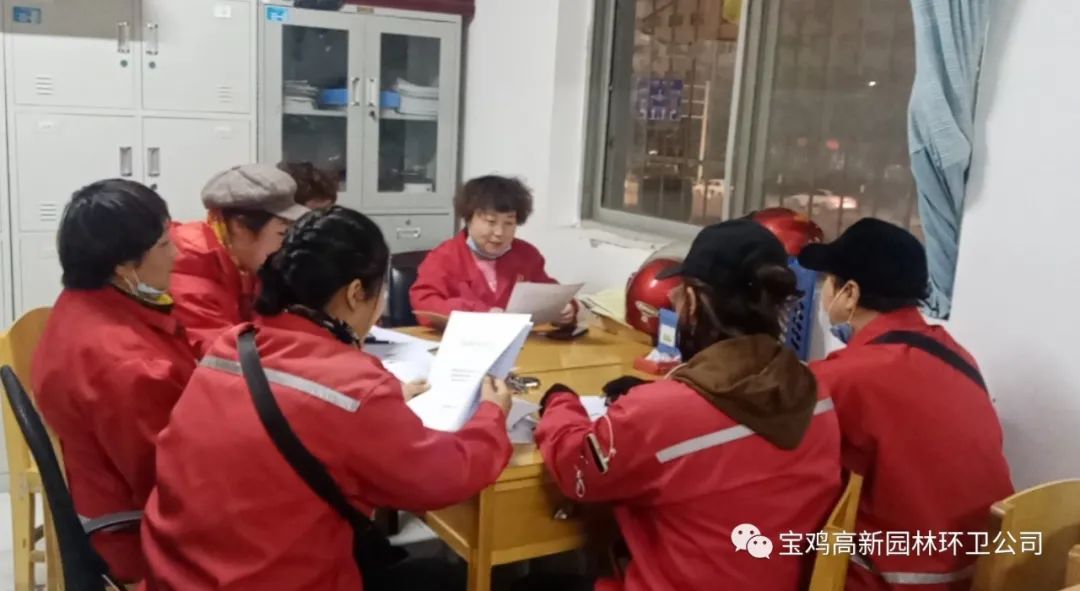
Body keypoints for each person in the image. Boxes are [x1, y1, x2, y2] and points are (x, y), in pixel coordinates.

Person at [142, 206, 514, 591]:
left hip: (176, 575)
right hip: (276, 579)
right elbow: (442, 479)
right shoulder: (353, 389)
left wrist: (376, 404)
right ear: (355, 293)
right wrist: (491, 416)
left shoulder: (233, 345)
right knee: (446, 578)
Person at [533, 220, 842, 591]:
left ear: (692, 302)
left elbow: (577, 469)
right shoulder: (816, 394)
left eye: (677, 297)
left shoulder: (660, 413)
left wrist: (560, 402)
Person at [798, 218, 1013, 591]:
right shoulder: (954, 354)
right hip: (983, 571)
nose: (824, 292)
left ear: (849, 293)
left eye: (828, 282)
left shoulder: (845, 377)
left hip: (898, 579)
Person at [31, 180, 197, 582]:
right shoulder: (129, 366)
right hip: (134, 539)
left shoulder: (81, 304)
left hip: (106, 500)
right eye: (164, 244)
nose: (177, 254)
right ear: (123, 265)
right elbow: (167, 487)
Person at [170, 163, 308, 355]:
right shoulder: (189, 273)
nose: (288, 245)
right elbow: (228, 356)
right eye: (283, 233)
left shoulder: (242, 259)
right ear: (239, 226)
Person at [410, 175, 576, 328]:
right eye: (490, 221)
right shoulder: (443, 257)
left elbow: (549, 293)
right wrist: (480, 313)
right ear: (468, 218)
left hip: (520, 344)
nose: (499, 232)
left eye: (509, 223)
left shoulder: (527, 255)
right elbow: (424, 304)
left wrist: (567, 309)